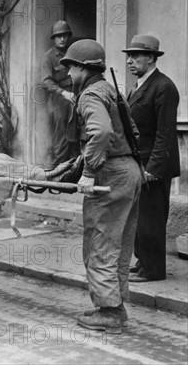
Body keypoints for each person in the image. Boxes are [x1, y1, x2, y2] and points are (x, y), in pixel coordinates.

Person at [60, 39, 142, 333]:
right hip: (130, 170)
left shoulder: (89, 95)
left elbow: (102, 132)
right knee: (118, 245)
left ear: (83, 68)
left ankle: (109, 312)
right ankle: (115, 307)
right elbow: (132, 131)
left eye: (70, 67)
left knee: (100, 242)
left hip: (110, 174)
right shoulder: (112, 90)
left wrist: (90, 170)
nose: (68, 73)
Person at [123, 34, 180, 282]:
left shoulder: (164, 87)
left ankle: (153, 270)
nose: (130, 61)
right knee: (140, 217)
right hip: (139, 163)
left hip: (154, 166)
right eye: (129, 56)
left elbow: (165, 134)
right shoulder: (139, 85)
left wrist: (153, 168)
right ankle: (142, 262)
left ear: (151, 57)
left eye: (135, 56)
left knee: (152, 219)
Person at [41, 20, 80, 166]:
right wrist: (62, 92)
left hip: (75, 95)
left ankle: (75, 171)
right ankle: (58, 173)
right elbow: (45, 81)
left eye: (65, 35)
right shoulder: (48, 57)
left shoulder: (73, 53)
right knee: (61, 137)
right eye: (58, 36)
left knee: (76, 134)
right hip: (58, 99)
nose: (62, 39)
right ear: (54, 38)